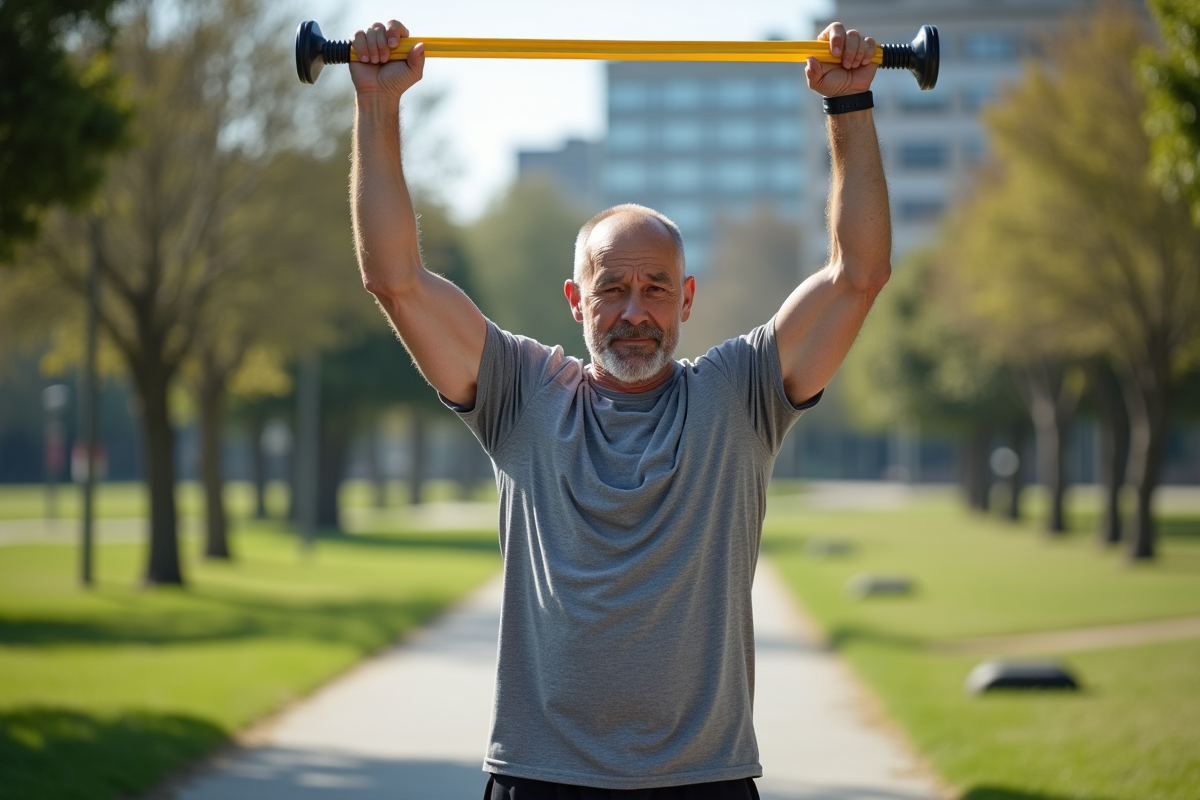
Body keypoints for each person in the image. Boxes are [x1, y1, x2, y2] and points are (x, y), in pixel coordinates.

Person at [348, 18, 891, 800]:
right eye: (612, 287)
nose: (634, 311)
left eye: (656, 289)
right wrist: (377, 105)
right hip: (541, 777)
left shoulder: (738, 396)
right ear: (576, 301)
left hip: (703, 780)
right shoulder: (522, 393)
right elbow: (394, 277)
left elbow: (858, 275)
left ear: (687, 301)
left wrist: (851, 104)